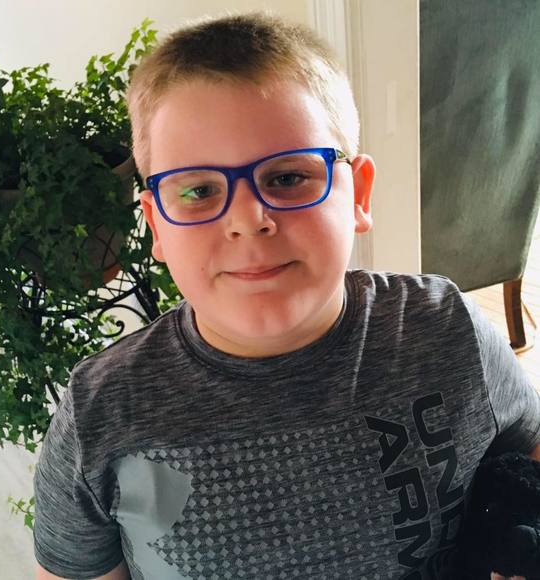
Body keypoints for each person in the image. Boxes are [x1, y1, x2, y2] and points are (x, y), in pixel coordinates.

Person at [33, 12, 540, 580]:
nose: (249, 220)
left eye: (288, 178)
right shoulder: (99, 414)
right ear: (156, 225)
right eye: (198, 191)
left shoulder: (449, 332)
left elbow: (529, 449)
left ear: (359, 194)